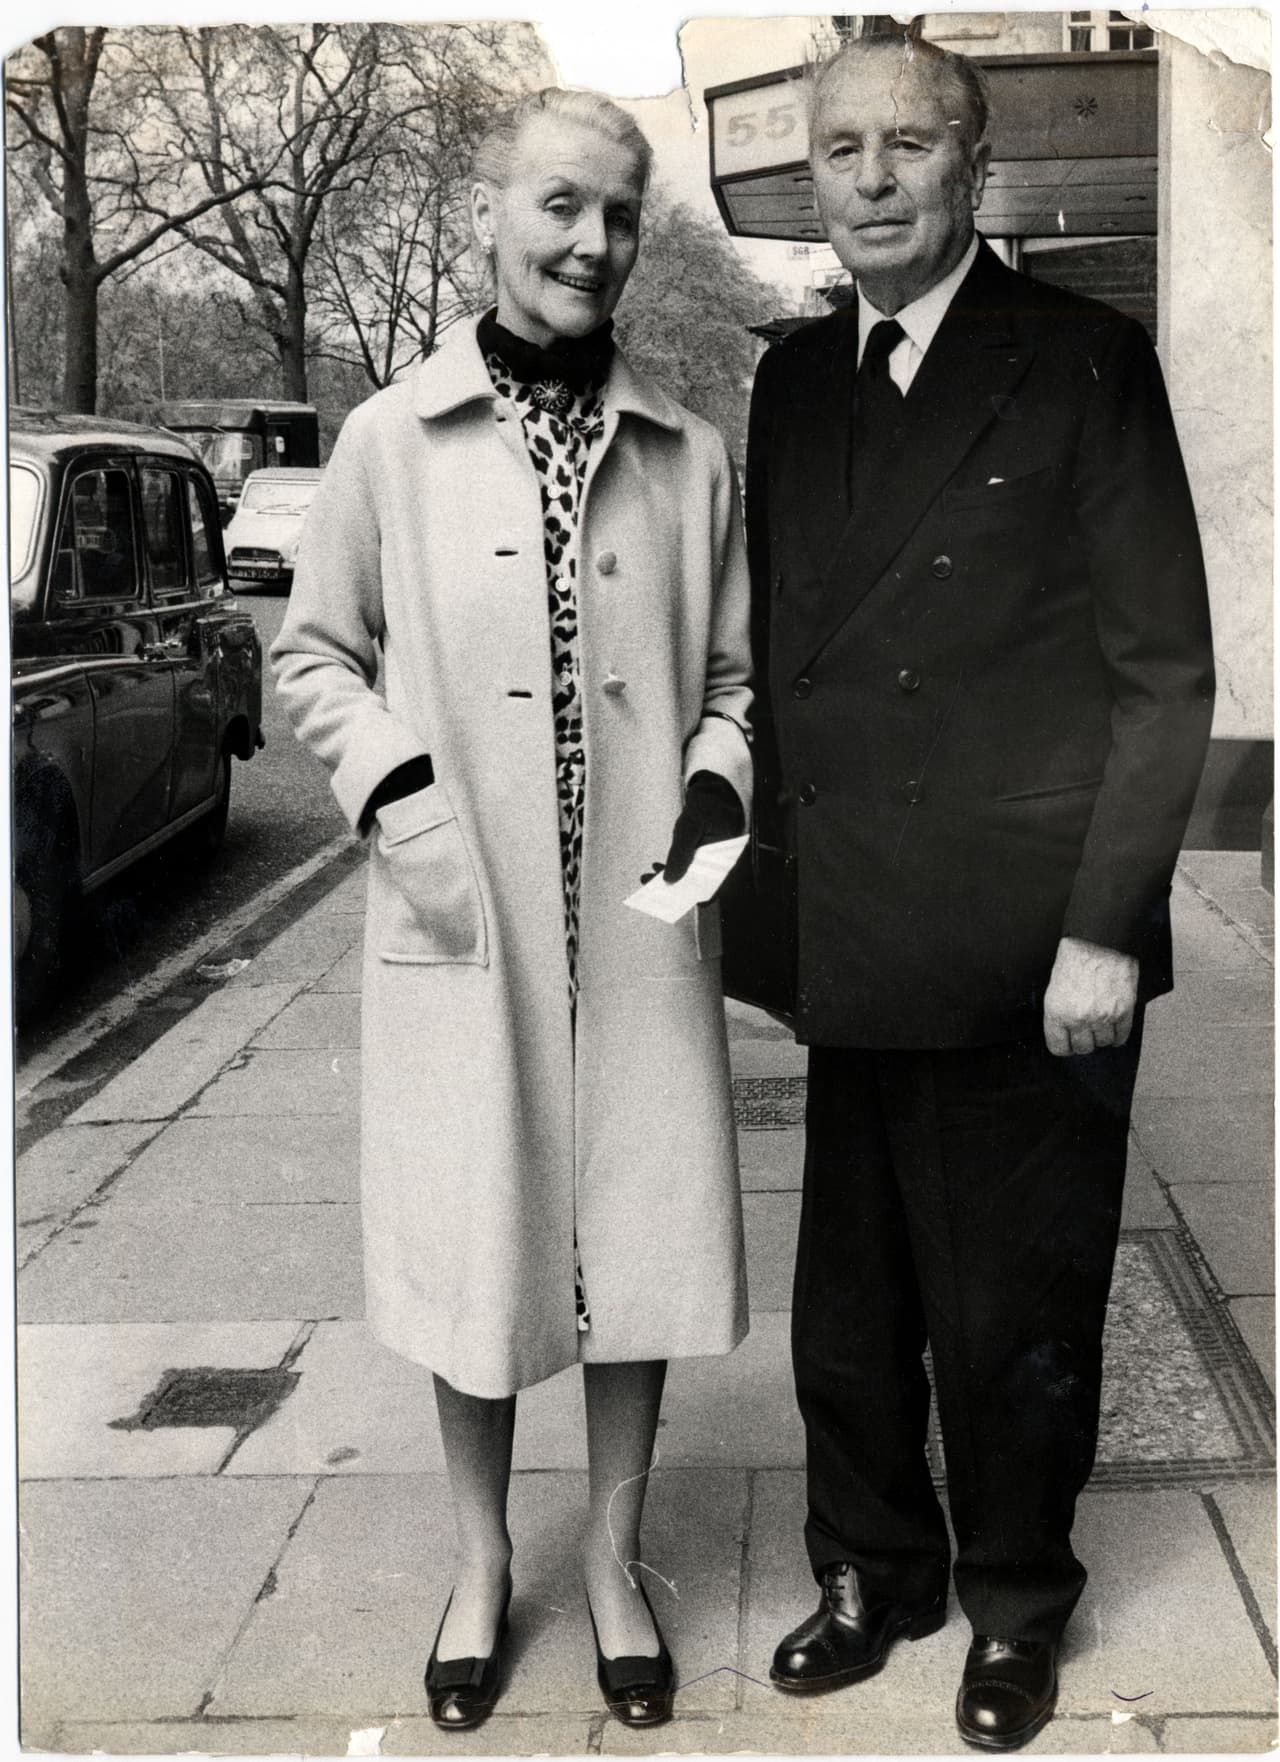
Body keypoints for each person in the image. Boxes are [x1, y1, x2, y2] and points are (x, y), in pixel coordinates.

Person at [739, 33, 1214, 1750]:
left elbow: (1164, 675)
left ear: (975, 162)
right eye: (840, 150)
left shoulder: (1084, 359)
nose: (871, 179)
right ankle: (876, 1570)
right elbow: (777, 655)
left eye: (908, 143)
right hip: (851, 925)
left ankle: (1016, 1600)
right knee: (851, 1302)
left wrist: (1107, 926)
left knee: (1015, 1310)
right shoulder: (793, 380)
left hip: (1029, 943)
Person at [271, 87, 753, 1733]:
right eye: (560, 204)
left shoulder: (691, 452)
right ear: (485, 212)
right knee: (474, 1243)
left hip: (635, 917)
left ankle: (614, 1561)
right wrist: (401, 799)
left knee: (641, 1238)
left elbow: (734, 682)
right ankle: (480, 1563)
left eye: (618, 213)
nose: (592, 242)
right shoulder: (386, 440)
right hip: (461, 915)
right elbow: (314, 656)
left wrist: (715, 786)